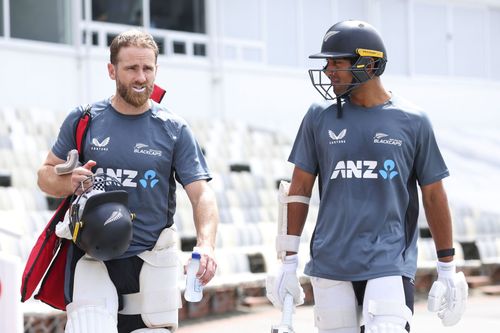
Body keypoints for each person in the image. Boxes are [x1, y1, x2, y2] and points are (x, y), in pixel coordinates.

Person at [266, 20, 468, 333]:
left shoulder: (413, 121)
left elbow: (433, 195)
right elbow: (299, 189)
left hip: (388, 260)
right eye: (327, 63)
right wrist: (288, 261)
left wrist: (447, 267)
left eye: (339, 62)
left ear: (370, 64)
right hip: (329, 261)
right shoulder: (318, 116)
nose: (329, 71)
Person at [37, 29, 219, 333]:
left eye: (148, 68)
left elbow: (202, 195)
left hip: (150, 260)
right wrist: (68, 182)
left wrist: (207, 245)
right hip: (90, 257)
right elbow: (45, 176)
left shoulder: (173, 128)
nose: (141, 77)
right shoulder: (84, 119)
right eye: (131, 68)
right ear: (112, 70)